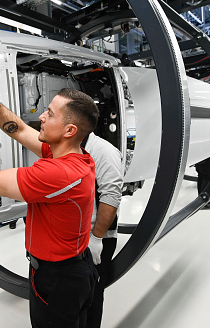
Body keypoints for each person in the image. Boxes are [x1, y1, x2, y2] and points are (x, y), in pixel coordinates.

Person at [0, 84, 99, 328]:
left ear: (69, 130)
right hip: (75, 269)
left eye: (50, 113)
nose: (41, 117)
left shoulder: (60, 173)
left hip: (58, 279)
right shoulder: (73, 155)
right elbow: (21, 131)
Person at [83, 132, 123, 328]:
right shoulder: (67, 147)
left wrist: (97, 237)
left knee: (92, 294)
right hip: (74, 237)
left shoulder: (103, 151)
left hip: (97, 238)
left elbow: (111, 196)